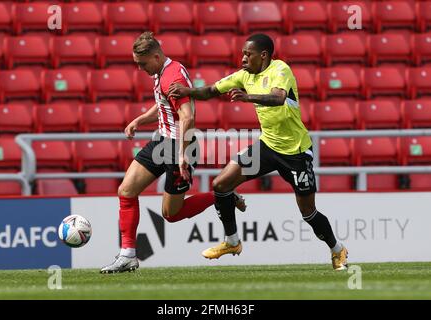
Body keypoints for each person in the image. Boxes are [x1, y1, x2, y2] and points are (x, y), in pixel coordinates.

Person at [168, 33, 348, 271]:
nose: (243, 58)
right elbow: (212, 90)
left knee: (308, 212)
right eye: (243, 53)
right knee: (221, 184)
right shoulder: (243, 75)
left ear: (263, 55)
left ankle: (337, 249)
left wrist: (247, 97)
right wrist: (188, 92)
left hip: (295, 152)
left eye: (248, 54)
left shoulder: (280, 70)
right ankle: (231, 241)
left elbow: (278, 97)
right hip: (267, 146)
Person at [100, 32, 246, 274]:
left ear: (156, 56)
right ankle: (127, 256)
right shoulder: (162, 72)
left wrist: (182, 155)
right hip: (161, 140)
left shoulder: (172, 77)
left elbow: (188, 116)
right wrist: (140, 120)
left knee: (171, 214)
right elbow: (163, 105)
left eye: (142, 64)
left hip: (178, 146)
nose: (140, 68)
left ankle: (222, 197)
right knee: (126, 190)